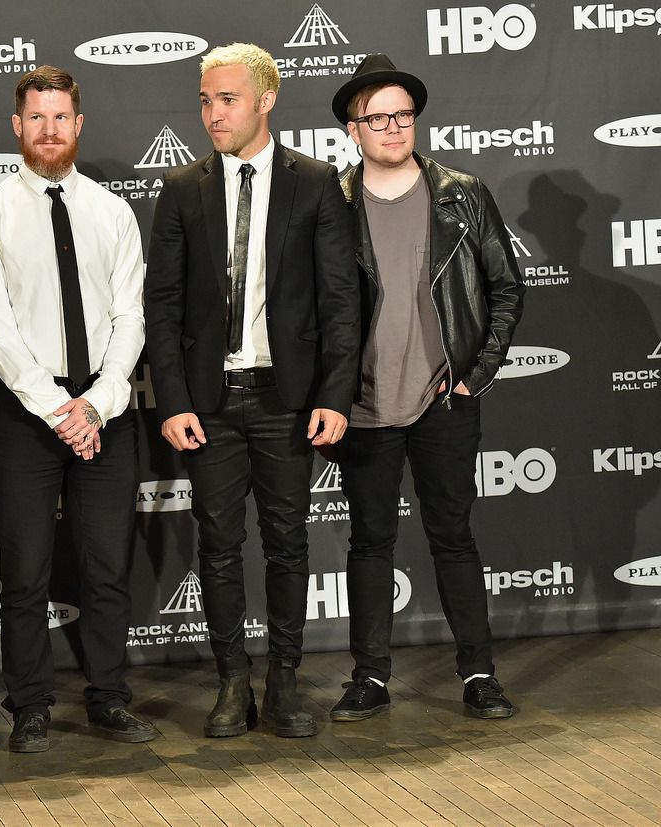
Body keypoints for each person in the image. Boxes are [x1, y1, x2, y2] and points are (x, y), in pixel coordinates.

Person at [144, 43, 360, 738]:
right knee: (217, 545)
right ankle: (232, 682)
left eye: (227, 100)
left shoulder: (317, 182)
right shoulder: (183, 189)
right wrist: (173, 399)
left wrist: (334, 394)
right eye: (205, 100)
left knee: (287, 544)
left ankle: (285, 681)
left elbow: (339, 301)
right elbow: (164, 306)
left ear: (266, 101)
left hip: (287, 397)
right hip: (208, 401)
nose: (212, 114)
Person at [327, 54, 525, 722]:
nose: (392, 127)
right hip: (364, 404)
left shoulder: (461, 192)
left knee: (454, 536)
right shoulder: (334, 202)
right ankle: (370, 677)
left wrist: (477, 373)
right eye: (378, 118)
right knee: (369, 541)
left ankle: (479, 673)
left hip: (445, 400)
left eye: (402, 115)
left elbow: (505, 287)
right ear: (353, 129)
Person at [0, 65, 153, 753]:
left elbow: (130, 319)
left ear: (79, 124)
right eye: (36, 118)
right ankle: (31, 706)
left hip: (106, 411)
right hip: (25, 415)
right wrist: (58, 410)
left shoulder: (113, 212)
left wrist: (97, 404)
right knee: (26, 570)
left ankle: (107, 697)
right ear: (18, 127)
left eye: (60, 117)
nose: (48, 130)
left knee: (106, 564)